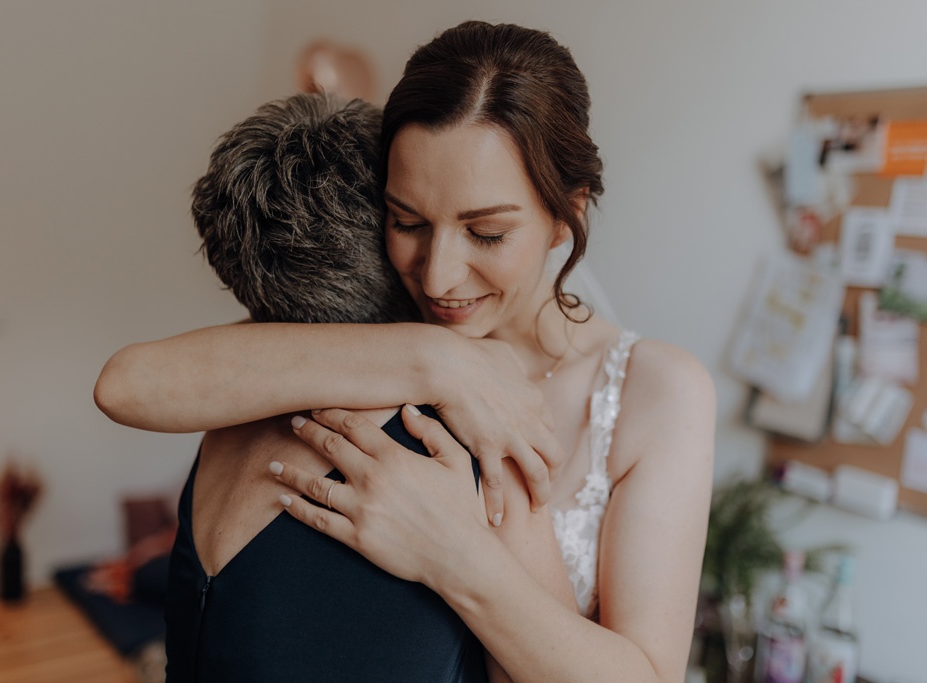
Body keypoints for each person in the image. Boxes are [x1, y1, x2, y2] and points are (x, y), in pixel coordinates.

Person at [95, 21, 715, 683]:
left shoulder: (658, 391)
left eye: (487, 232)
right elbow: (129, 383)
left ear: (567, 213)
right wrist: (433, 356)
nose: (439, 275)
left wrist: (456, 557)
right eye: (407, 221)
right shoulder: (370, 336)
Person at [155, 92, 572, 682]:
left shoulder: (225, 407)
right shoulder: (466, 433)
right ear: (382, 236)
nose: (439, 268)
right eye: (409, 221)